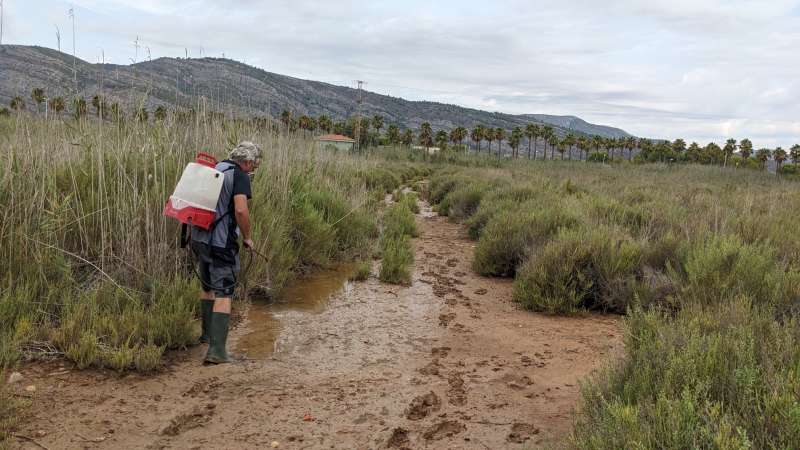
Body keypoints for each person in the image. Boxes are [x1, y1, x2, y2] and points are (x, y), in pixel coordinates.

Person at [191, 141, 261, 364]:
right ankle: (217, 351)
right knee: (224, 292)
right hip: (222, 243)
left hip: (200, 239)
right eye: (254, 166)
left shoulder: (217, 168)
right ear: (248, 162)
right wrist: (247, 236)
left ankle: (207, 335)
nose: (253, 170)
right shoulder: (239, 175)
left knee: (207, 286)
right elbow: (240, 209)